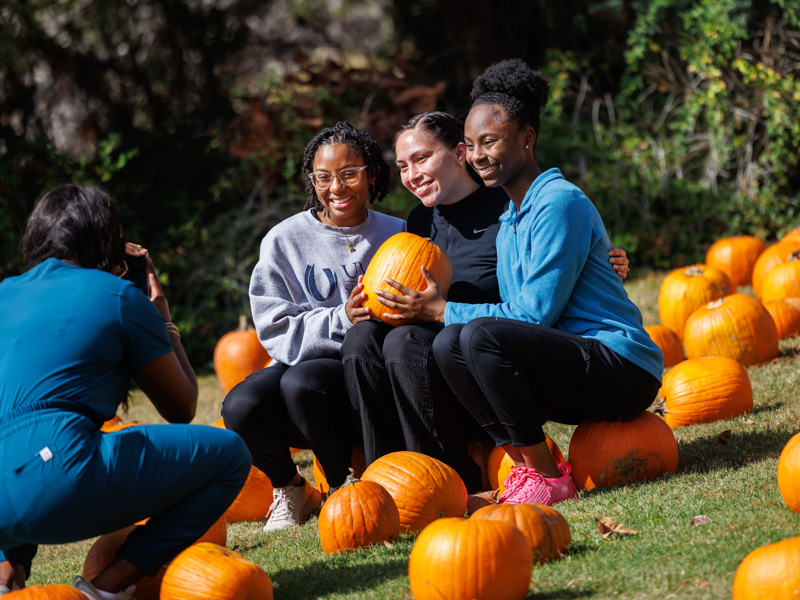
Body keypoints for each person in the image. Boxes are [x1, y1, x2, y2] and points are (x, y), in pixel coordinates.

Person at [370, 59, 663, 507]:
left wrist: (442, 308)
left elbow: (533, 315)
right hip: (569, 363)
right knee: (451, 344)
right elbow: (516, 312)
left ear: (526, 138)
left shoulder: (558, 202)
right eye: (471, 144)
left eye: (490, 140)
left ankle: (548, 482)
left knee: (474, 333)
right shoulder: (509, 220)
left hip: (620, 367)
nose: (479, 154)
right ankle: (529, 469)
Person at [0, 185, 251, 599]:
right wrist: (161, 316)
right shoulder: (119, 297)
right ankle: (103, 588)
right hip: (59, 479)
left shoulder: (6, 290)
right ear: (108, 239)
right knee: (229, 454)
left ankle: (7, 578)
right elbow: (182, 406)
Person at [221, 122, 407, 532]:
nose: (336, 188)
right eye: (323, 178)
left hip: (368, 371)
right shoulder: (284, 239)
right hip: (302, 357)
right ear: (312, 180)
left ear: (372, 172)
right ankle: (290, 487)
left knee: (302, 383)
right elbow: (273, 326)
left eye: (348, 174)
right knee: (240, 406)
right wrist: (341, 316)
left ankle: (343, 488)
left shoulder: (396, 234)